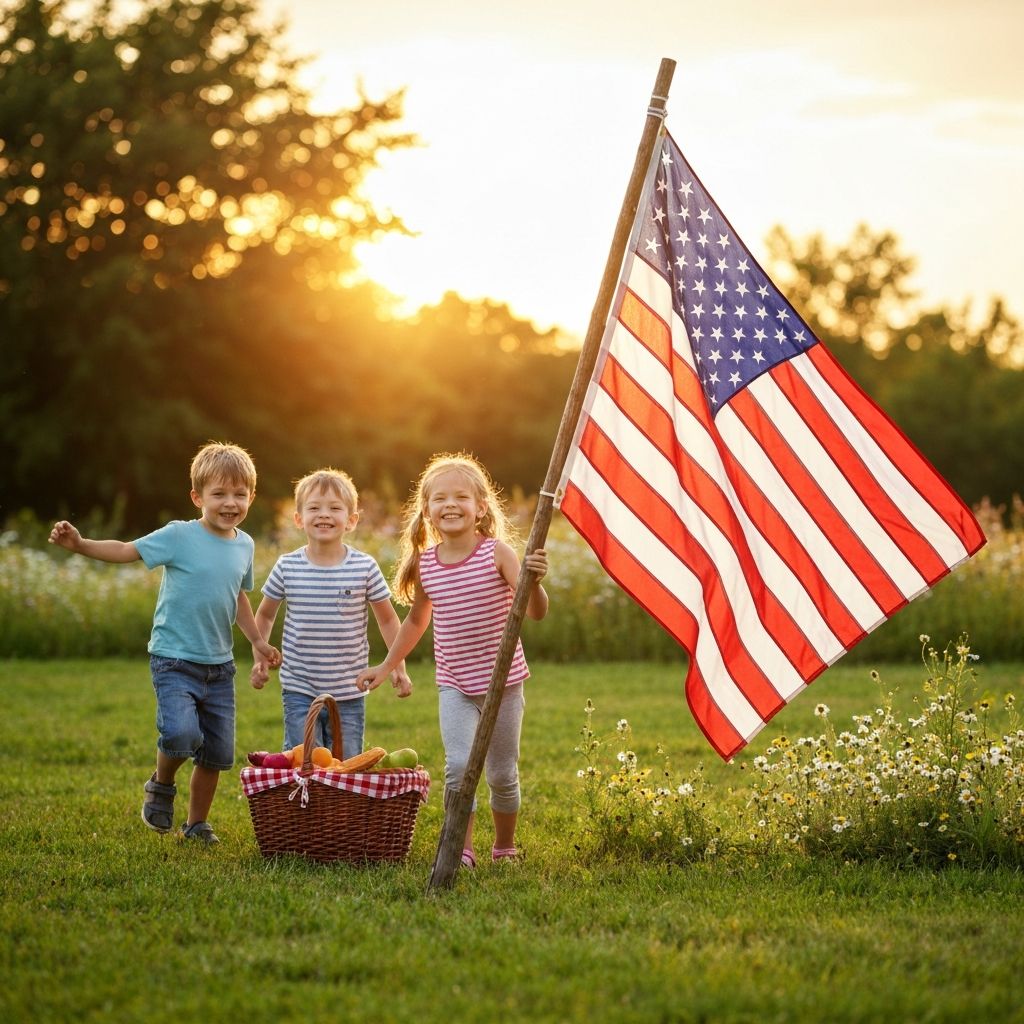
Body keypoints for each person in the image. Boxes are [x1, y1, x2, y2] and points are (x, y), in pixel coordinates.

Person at [49, 441, 280, 846]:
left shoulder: (245, 545)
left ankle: (196, 825)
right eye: (219, 494)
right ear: (197, 497)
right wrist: (81, 545)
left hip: (220, 666)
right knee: (180, 735)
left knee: (217, 753)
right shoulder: (178, 536)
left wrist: (258, 642)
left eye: (240, 494)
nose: (231, 503)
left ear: (252, 497)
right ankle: (161, 784)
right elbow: (127, 550)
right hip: (174, 659)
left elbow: (239, 598)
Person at [355, 453, 548, 868]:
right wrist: (385, 667)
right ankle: (461, 845)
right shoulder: (427, 565)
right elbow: (415, 623)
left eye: (462, 496)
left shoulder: (498, 554)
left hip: (504, 685)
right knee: (459, 767)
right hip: (455, 685)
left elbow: (535, 612)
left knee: (501, 773)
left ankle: (505, 846)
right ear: (426, 511)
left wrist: (535, 582)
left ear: (481, 507)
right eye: (440, 498)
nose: (451, 504)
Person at [250, 468, 411, 758]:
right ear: (299, 519)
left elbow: (387, 619)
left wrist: (397, 666)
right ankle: (305, 805)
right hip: (299, 688)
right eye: (314, 508)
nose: (324, 514)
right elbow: (264, 615)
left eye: (335, 508)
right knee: (304, 762)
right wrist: (259, 657)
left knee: (346, 763)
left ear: (351, 520)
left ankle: (340, 806)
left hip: (350, 690)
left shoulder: (364, 567)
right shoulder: (287, 566)